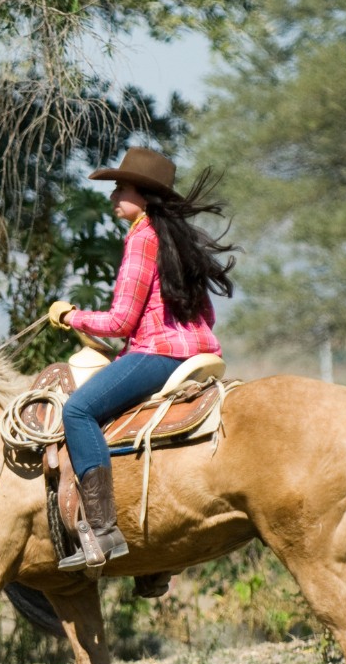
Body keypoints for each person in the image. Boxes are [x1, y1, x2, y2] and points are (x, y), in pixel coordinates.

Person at [47, 146, 236, 572]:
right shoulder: (173, 240)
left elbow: (119, 320)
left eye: (122, 189)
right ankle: (155, 566)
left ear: (145, 197)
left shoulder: (141, 239)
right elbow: (198, 314)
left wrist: (69, 315)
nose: (113, 197)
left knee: (78, 411)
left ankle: (102, 528)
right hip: (196, 352)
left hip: (160, 354)